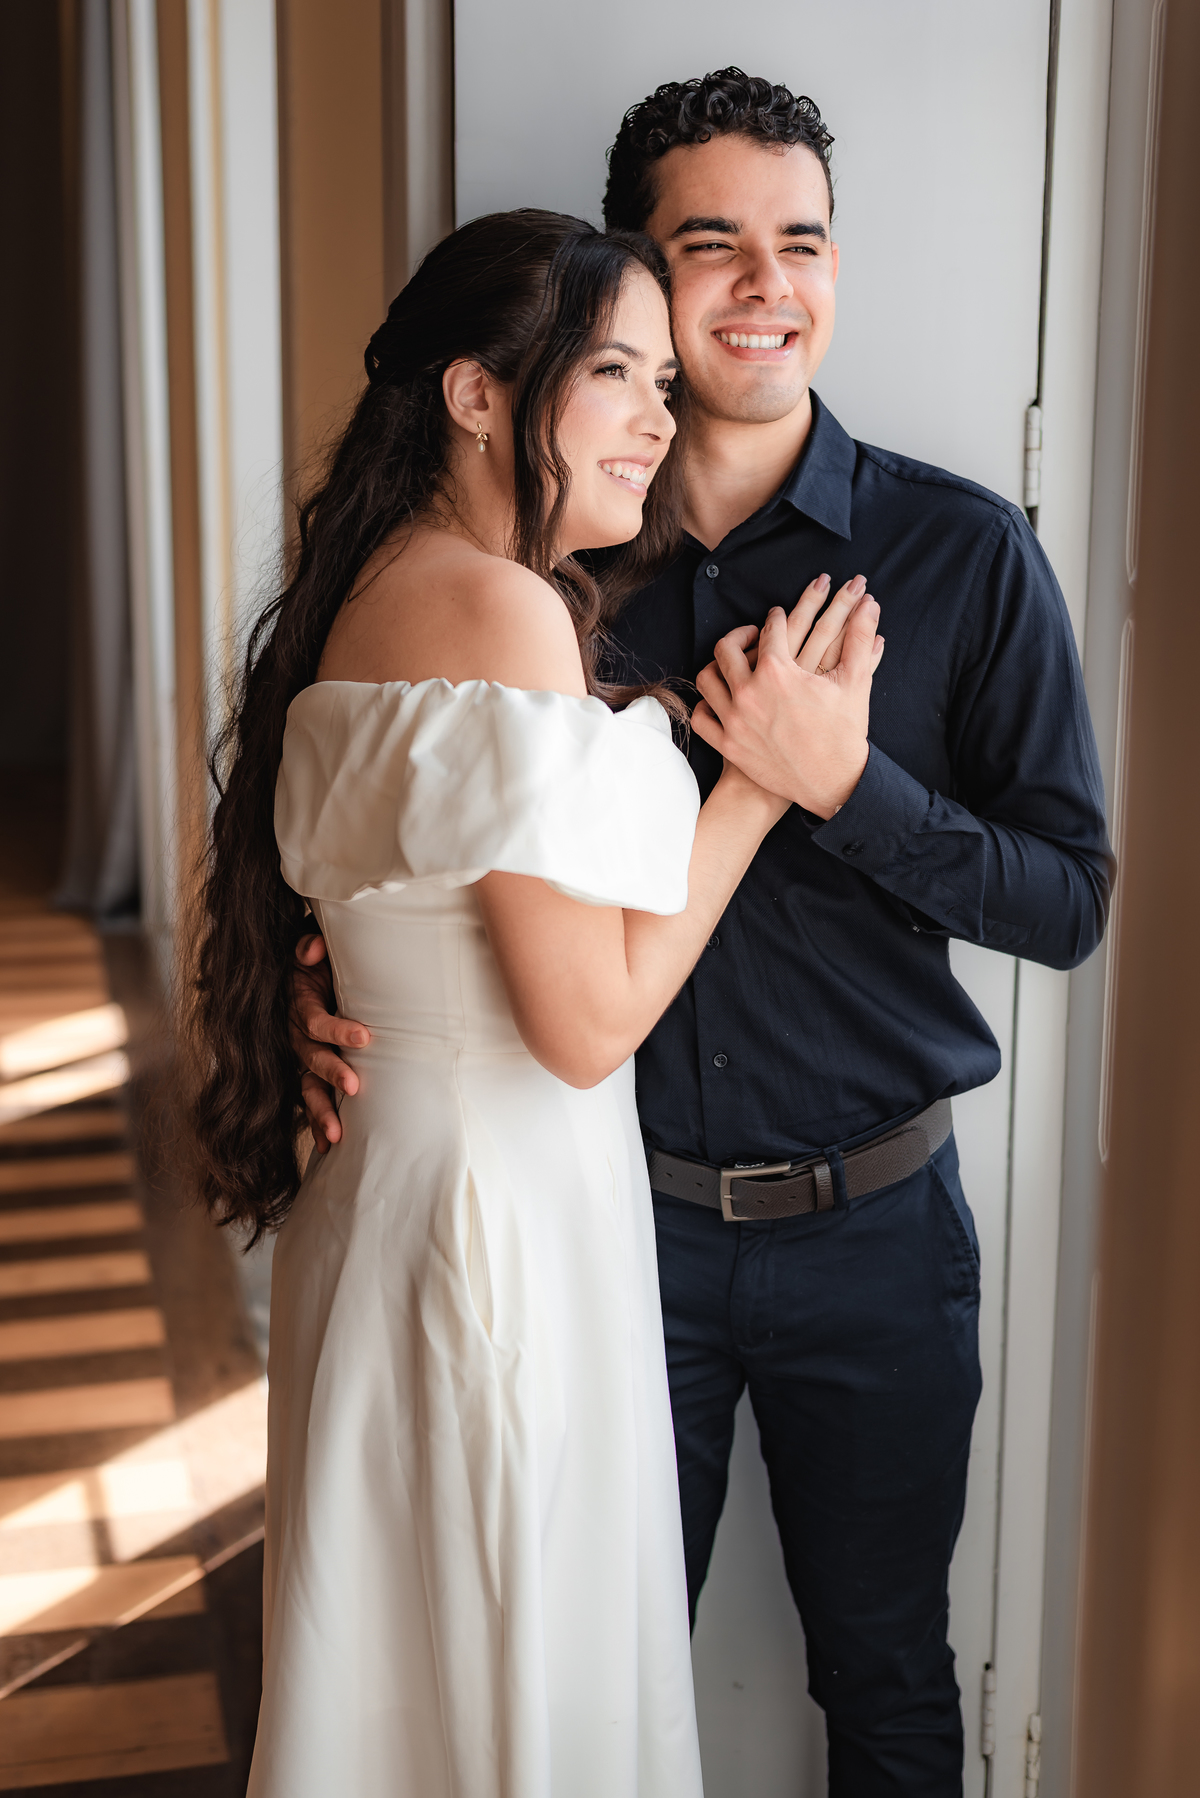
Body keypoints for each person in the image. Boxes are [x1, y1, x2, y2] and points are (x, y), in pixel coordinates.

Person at [294, 74, 1113, 1797]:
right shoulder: (557, 559)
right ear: (638, 279)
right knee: (566, 1688)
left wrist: (843, 781)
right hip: (604, 1234)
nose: (766, 283)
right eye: (711, 244)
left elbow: (1069, 900)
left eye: (801, 241)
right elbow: (410, 839)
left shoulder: (966, 553)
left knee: (890, 1686)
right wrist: (327, 987)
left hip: (878, 1242)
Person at [191, 208, 883, 1797]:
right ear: (479, 393)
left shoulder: (375, 584)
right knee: (516, 1674)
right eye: (618, 373)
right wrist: (761, 789)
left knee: (412, 1671)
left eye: (662, 376)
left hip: (407, 1197)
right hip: (501, 1213)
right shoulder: (501, 613)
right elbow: (585, 1025)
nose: (661, 414)